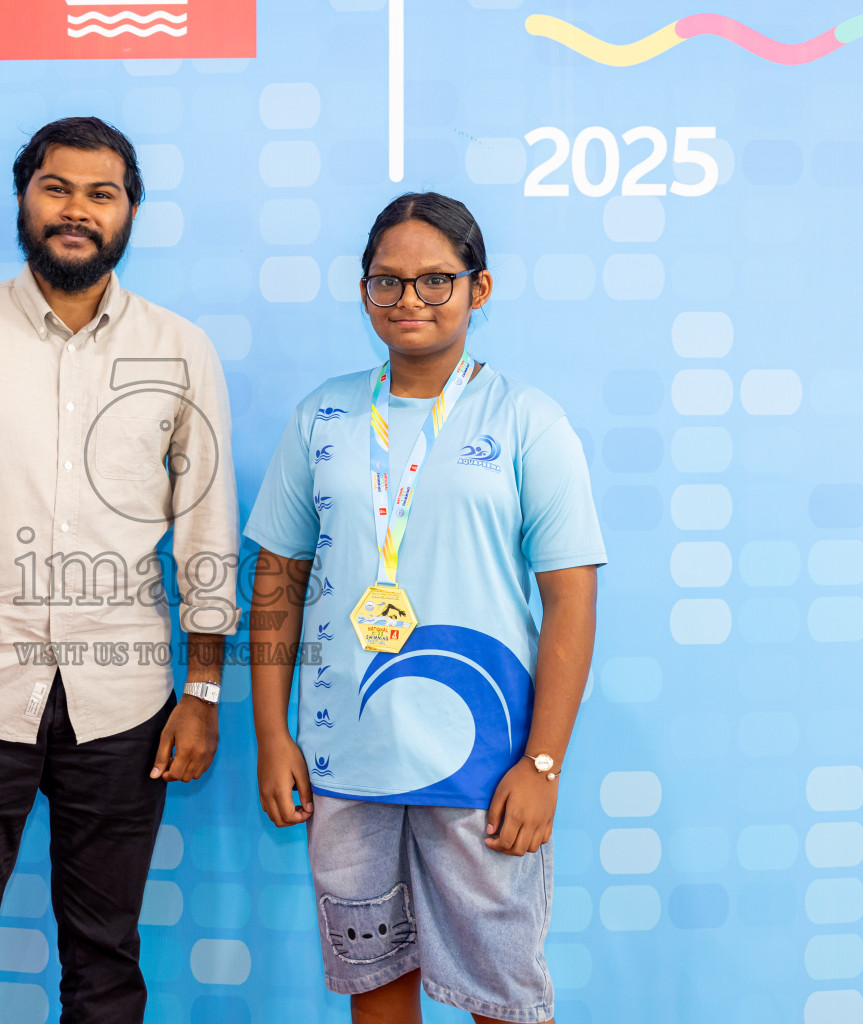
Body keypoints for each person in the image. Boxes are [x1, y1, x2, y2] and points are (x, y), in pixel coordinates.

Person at [0, 117, 241, 1023]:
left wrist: (205, 693)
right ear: (25, 199)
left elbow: (206, 531)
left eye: (100, 193)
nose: (77, 210)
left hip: (127, 700)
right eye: (57, 188)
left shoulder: (181, 349)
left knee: (107, 956)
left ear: (131, 212)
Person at [245, 192, 605, 1024]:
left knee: (503, 999)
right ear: (364, 290)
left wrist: (543, 764)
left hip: (482, 764)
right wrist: (272, 736)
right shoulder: (323, 416)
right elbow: (276, 582)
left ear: (479, 289)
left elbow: (571, 599)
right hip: (346, 769)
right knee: (375, 991)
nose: (410, 300)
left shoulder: (526, 420)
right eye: (388, 282)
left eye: (436, 281)